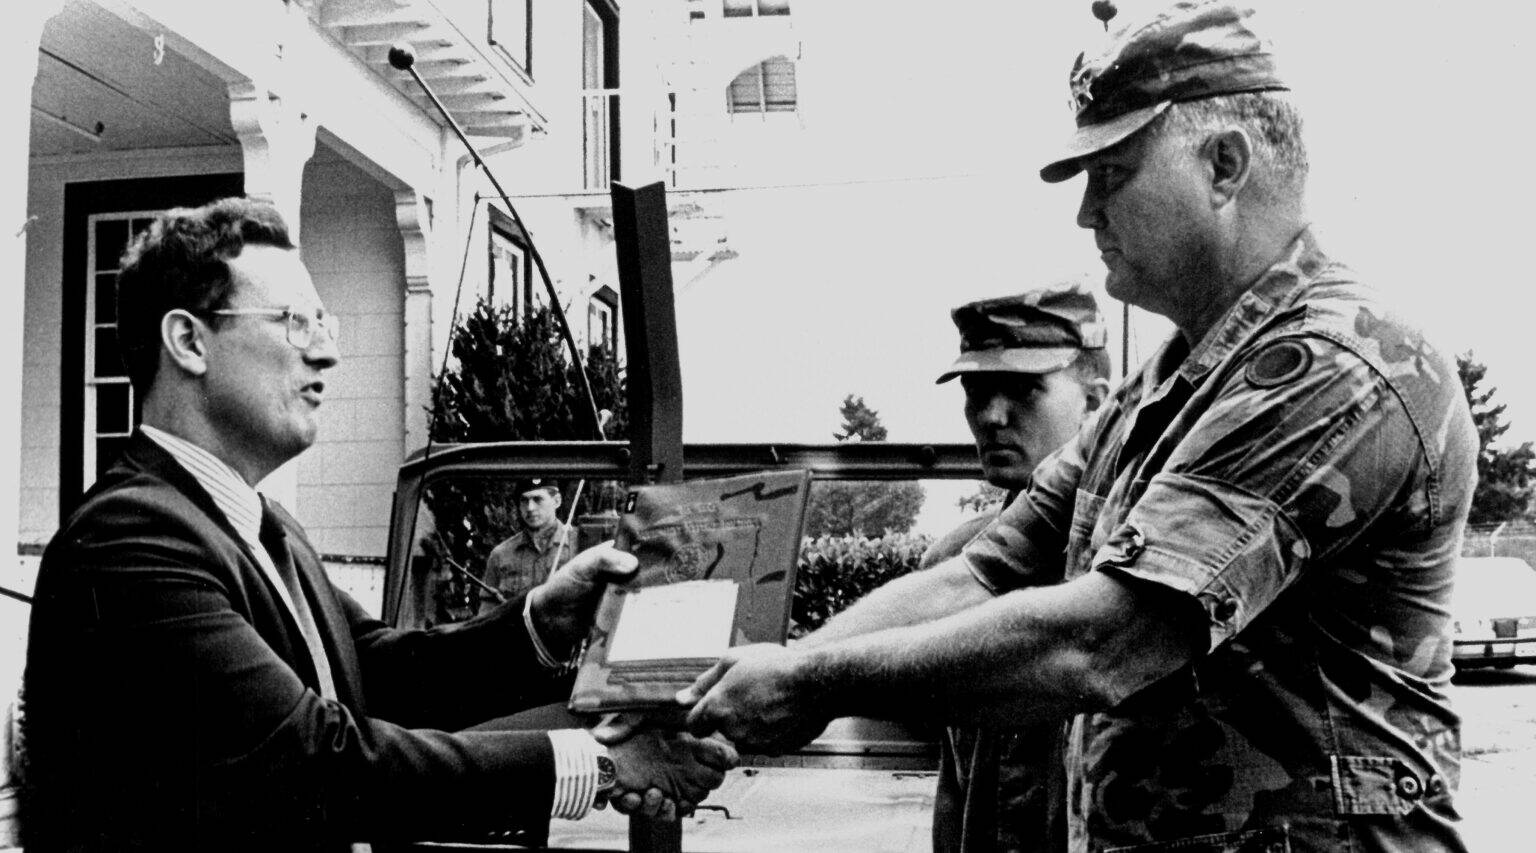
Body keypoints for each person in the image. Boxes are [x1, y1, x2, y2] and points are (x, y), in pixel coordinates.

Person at [681, 3, 1477, 850]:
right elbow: (980, 573)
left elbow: (1104, 641)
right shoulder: (1161, 388)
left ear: (1224, 164)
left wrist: (804, 682)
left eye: (1115, 172)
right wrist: (746, 692)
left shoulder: (1337, 361)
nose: (1086, 213)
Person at [20, 197, 735, 852]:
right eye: (294, 321)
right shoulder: (125, 544)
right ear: (189, 341)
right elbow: (309, 761)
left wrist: (546, 618)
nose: (327, 351)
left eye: (323, 325)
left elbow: (382, 673)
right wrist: (602, 762)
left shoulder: (262, 527)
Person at [922, 287, 1110, 852]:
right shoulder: (950, 566)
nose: (991, 416)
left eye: (1025, 390)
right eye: (977, 391)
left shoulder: (1133, 568)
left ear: (1097, 405)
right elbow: (955, 781)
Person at [484, 479, 582, 604]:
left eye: (538, 499)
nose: (530, 508)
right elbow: (487, 612)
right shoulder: (500, 555)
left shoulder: (581, 545)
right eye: (524, 501)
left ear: (557, 501)